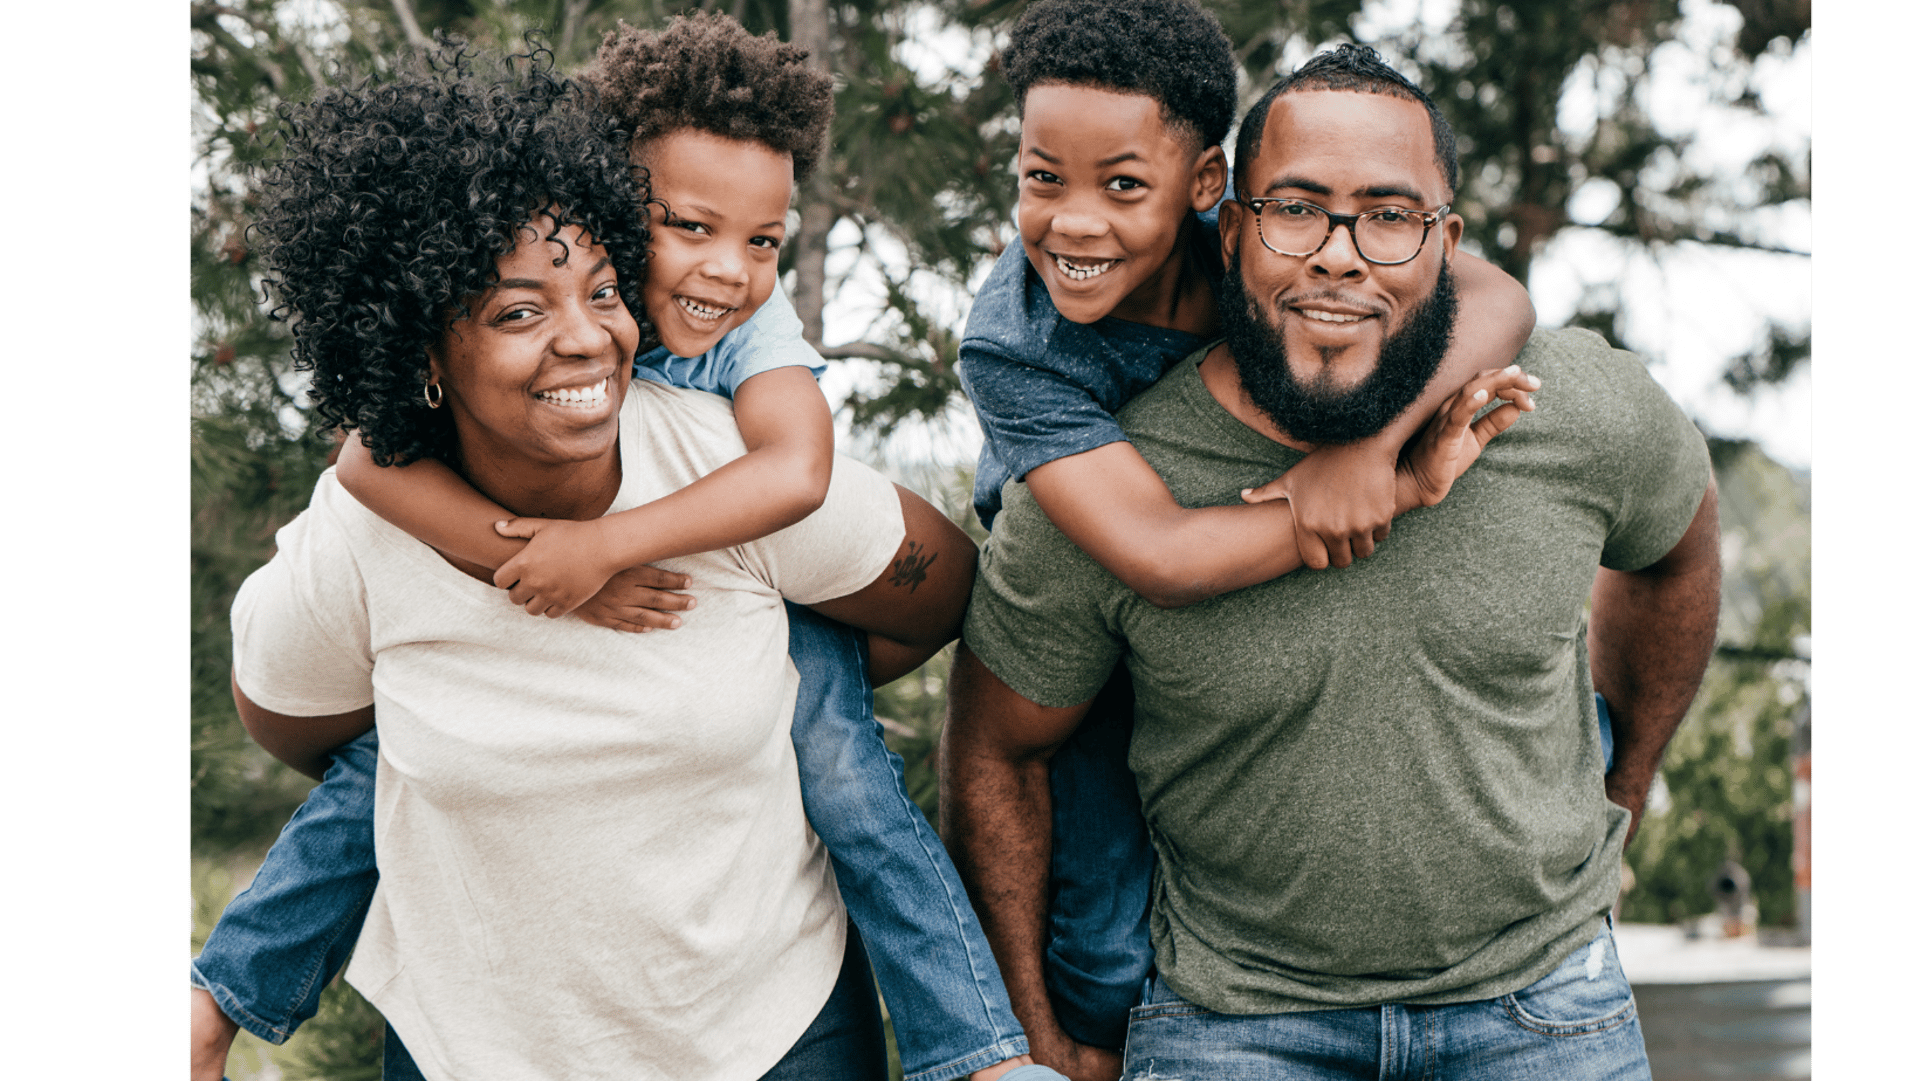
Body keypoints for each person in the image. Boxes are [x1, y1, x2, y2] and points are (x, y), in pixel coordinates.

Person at [185, 39, 1018, 1081]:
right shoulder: (371, 519)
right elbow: (312, 635)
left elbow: (905, 561)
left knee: (845, 767)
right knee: (387, 758)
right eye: (519, 311)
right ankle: (215, 998)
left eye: (602, 290)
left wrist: (686, 610)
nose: (586, 338)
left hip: (767, 1026)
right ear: (424, 353)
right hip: (472, 1044)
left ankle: (981, 1053)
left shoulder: (728, 423)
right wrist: (524, 575)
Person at [942, 44, 1720, 1081]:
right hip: (1232, 1024)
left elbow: (1679, 551)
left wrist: (1625, 786)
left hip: (1545, 1008)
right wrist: (1029, 1040)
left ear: (1448, 239)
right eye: (1297, 209)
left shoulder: (1571, 407)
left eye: (1390, 217)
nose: (1341, 255)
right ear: (1229, 230)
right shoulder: (1097, 479)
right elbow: (996, 752)